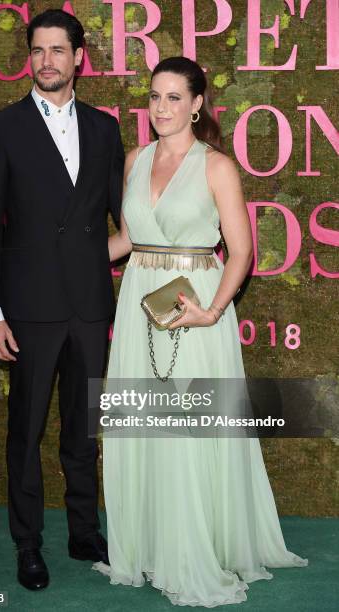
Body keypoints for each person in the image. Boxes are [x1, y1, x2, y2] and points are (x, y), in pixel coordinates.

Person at [93, 57, 308, 607]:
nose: (160, 107)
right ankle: (146, 550)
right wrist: (64, 260)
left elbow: (241, 252)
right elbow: (129, 240)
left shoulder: (216, 166)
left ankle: (193, 553)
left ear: (196, 105)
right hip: (141, 304)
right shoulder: (135, 160)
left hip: (195, 309)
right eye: (154, 96)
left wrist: (212, 311)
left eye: (172, 98)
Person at [0, 9, 124, 590]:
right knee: (25, 433)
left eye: (58, 50)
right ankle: (28, 544)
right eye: (37, 51)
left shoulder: (106, 128)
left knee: (84, 432)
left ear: (78, 57)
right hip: (27, 311)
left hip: (88, 308)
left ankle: (84, 531)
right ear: (29, 57)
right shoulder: (2, 129)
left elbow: (124, 220)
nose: (47, 62)